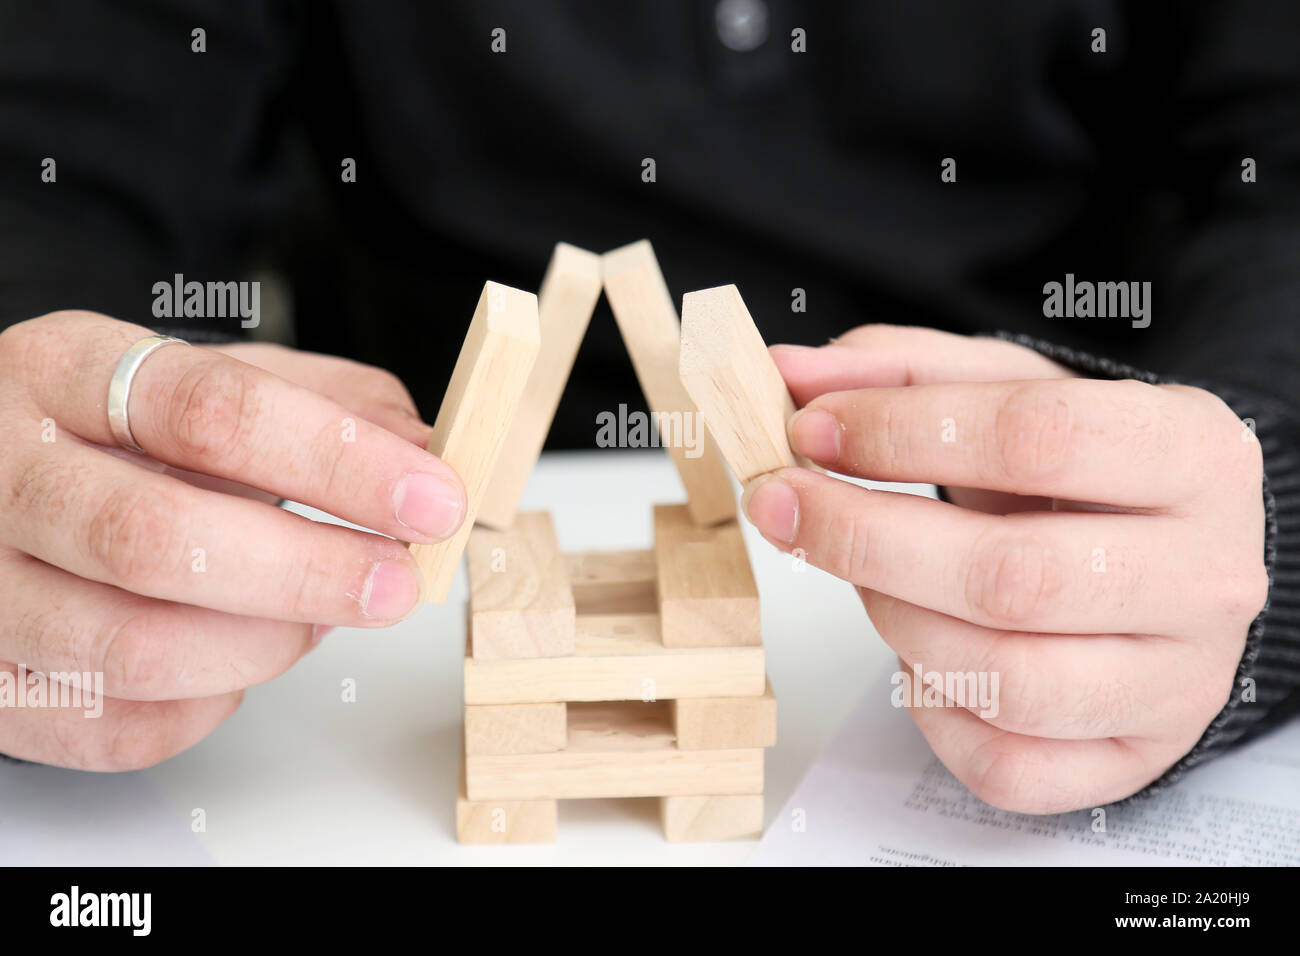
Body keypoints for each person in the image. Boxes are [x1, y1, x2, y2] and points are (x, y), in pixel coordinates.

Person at [0, 0, 1296, 814]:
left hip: (1013, 509)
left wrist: (1263, 489)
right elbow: (57, 144)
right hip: (402, 555)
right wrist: (38, 437)